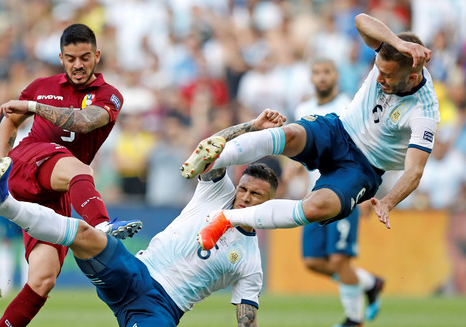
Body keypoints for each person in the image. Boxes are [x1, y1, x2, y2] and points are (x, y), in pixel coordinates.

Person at [0, 109, 286, 327]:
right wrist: (253, 127)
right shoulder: (218, 191)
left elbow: (247, 323)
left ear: (271, 201)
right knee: (85, 233)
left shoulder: (250, 261)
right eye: (243, 188)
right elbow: (211, 147)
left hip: (161, 310)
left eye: (255, 194)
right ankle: (5, 204)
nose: (243, 198)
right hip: (136, 272)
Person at [0, 23, 142, 327]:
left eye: (85, 58)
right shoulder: (44, 86)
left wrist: (31, 106)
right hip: (30, 161)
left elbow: (84, 120)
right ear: (61, 58)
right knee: (78, 165)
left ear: (97, 56)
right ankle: (104, 226)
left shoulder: (110, 95)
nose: (78, 65)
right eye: (71, 58)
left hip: (59, 189)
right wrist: (2, 166)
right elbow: (9, 120)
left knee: (42, 280)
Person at [182, 14, 440, 256]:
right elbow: (361, 20)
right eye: (378, 70)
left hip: (364, 168)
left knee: (316, 208)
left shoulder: (425, 110)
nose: (378, 78)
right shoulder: (390, 54)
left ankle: (226, 219)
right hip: (339, 129)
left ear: (413, 76)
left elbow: (415, 171)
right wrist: (396, 42)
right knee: (291, 134)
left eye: (388, 75)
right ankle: (214, 159)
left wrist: (388, 202)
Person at [292, 57, 384, 327]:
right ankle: (370, 283)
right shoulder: (304, 108)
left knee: (339, 259)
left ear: (336, 76)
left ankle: (353, 319)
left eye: (327, 71)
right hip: (314, 195)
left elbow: (366, 149)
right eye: (317, 71)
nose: (321, 77)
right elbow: (300, 145)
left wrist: (366, 195)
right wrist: (290, 171)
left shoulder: (350, 106)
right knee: (313, 261)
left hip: (345, 190)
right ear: (311, 77)